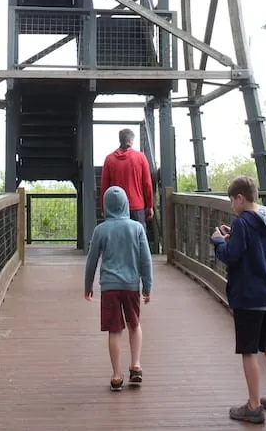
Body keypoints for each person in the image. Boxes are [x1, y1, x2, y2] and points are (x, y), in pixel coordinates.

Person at [211, 175, 266, 424]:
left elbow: (233, 256)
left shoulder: (243, 223)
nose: (231, 206)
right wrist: (231, 236)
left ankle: (254, 406)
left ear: (240, 198)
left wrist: (217, 242)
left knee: (248, 351)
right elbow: (252, 249)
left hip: (247, 295)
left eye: (232, 201)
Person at [84, 185, 153, 391]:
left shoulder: (100, 230)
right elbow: (146, 259)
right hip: (131, 285)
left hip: (110, 287)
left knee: (114, 330)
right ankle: (136, 365)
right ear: (125, 204)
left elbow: (92, 260)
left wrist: (88, 286)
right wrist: (147, 286)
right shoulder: (137, 228)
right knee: (134, 324)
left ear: (105, 206)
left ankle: (116, 375)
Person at [100, 128, 154, 228]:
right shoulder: (141, 157)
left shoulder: (109, 159)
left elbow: (105, 187)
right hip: (137, 206)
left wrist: (104, 208)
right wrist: (150, 206)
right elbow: (147, 184)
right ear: (130, 141)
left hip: (115, 207)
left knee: (117, 239)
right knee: (138, 239)